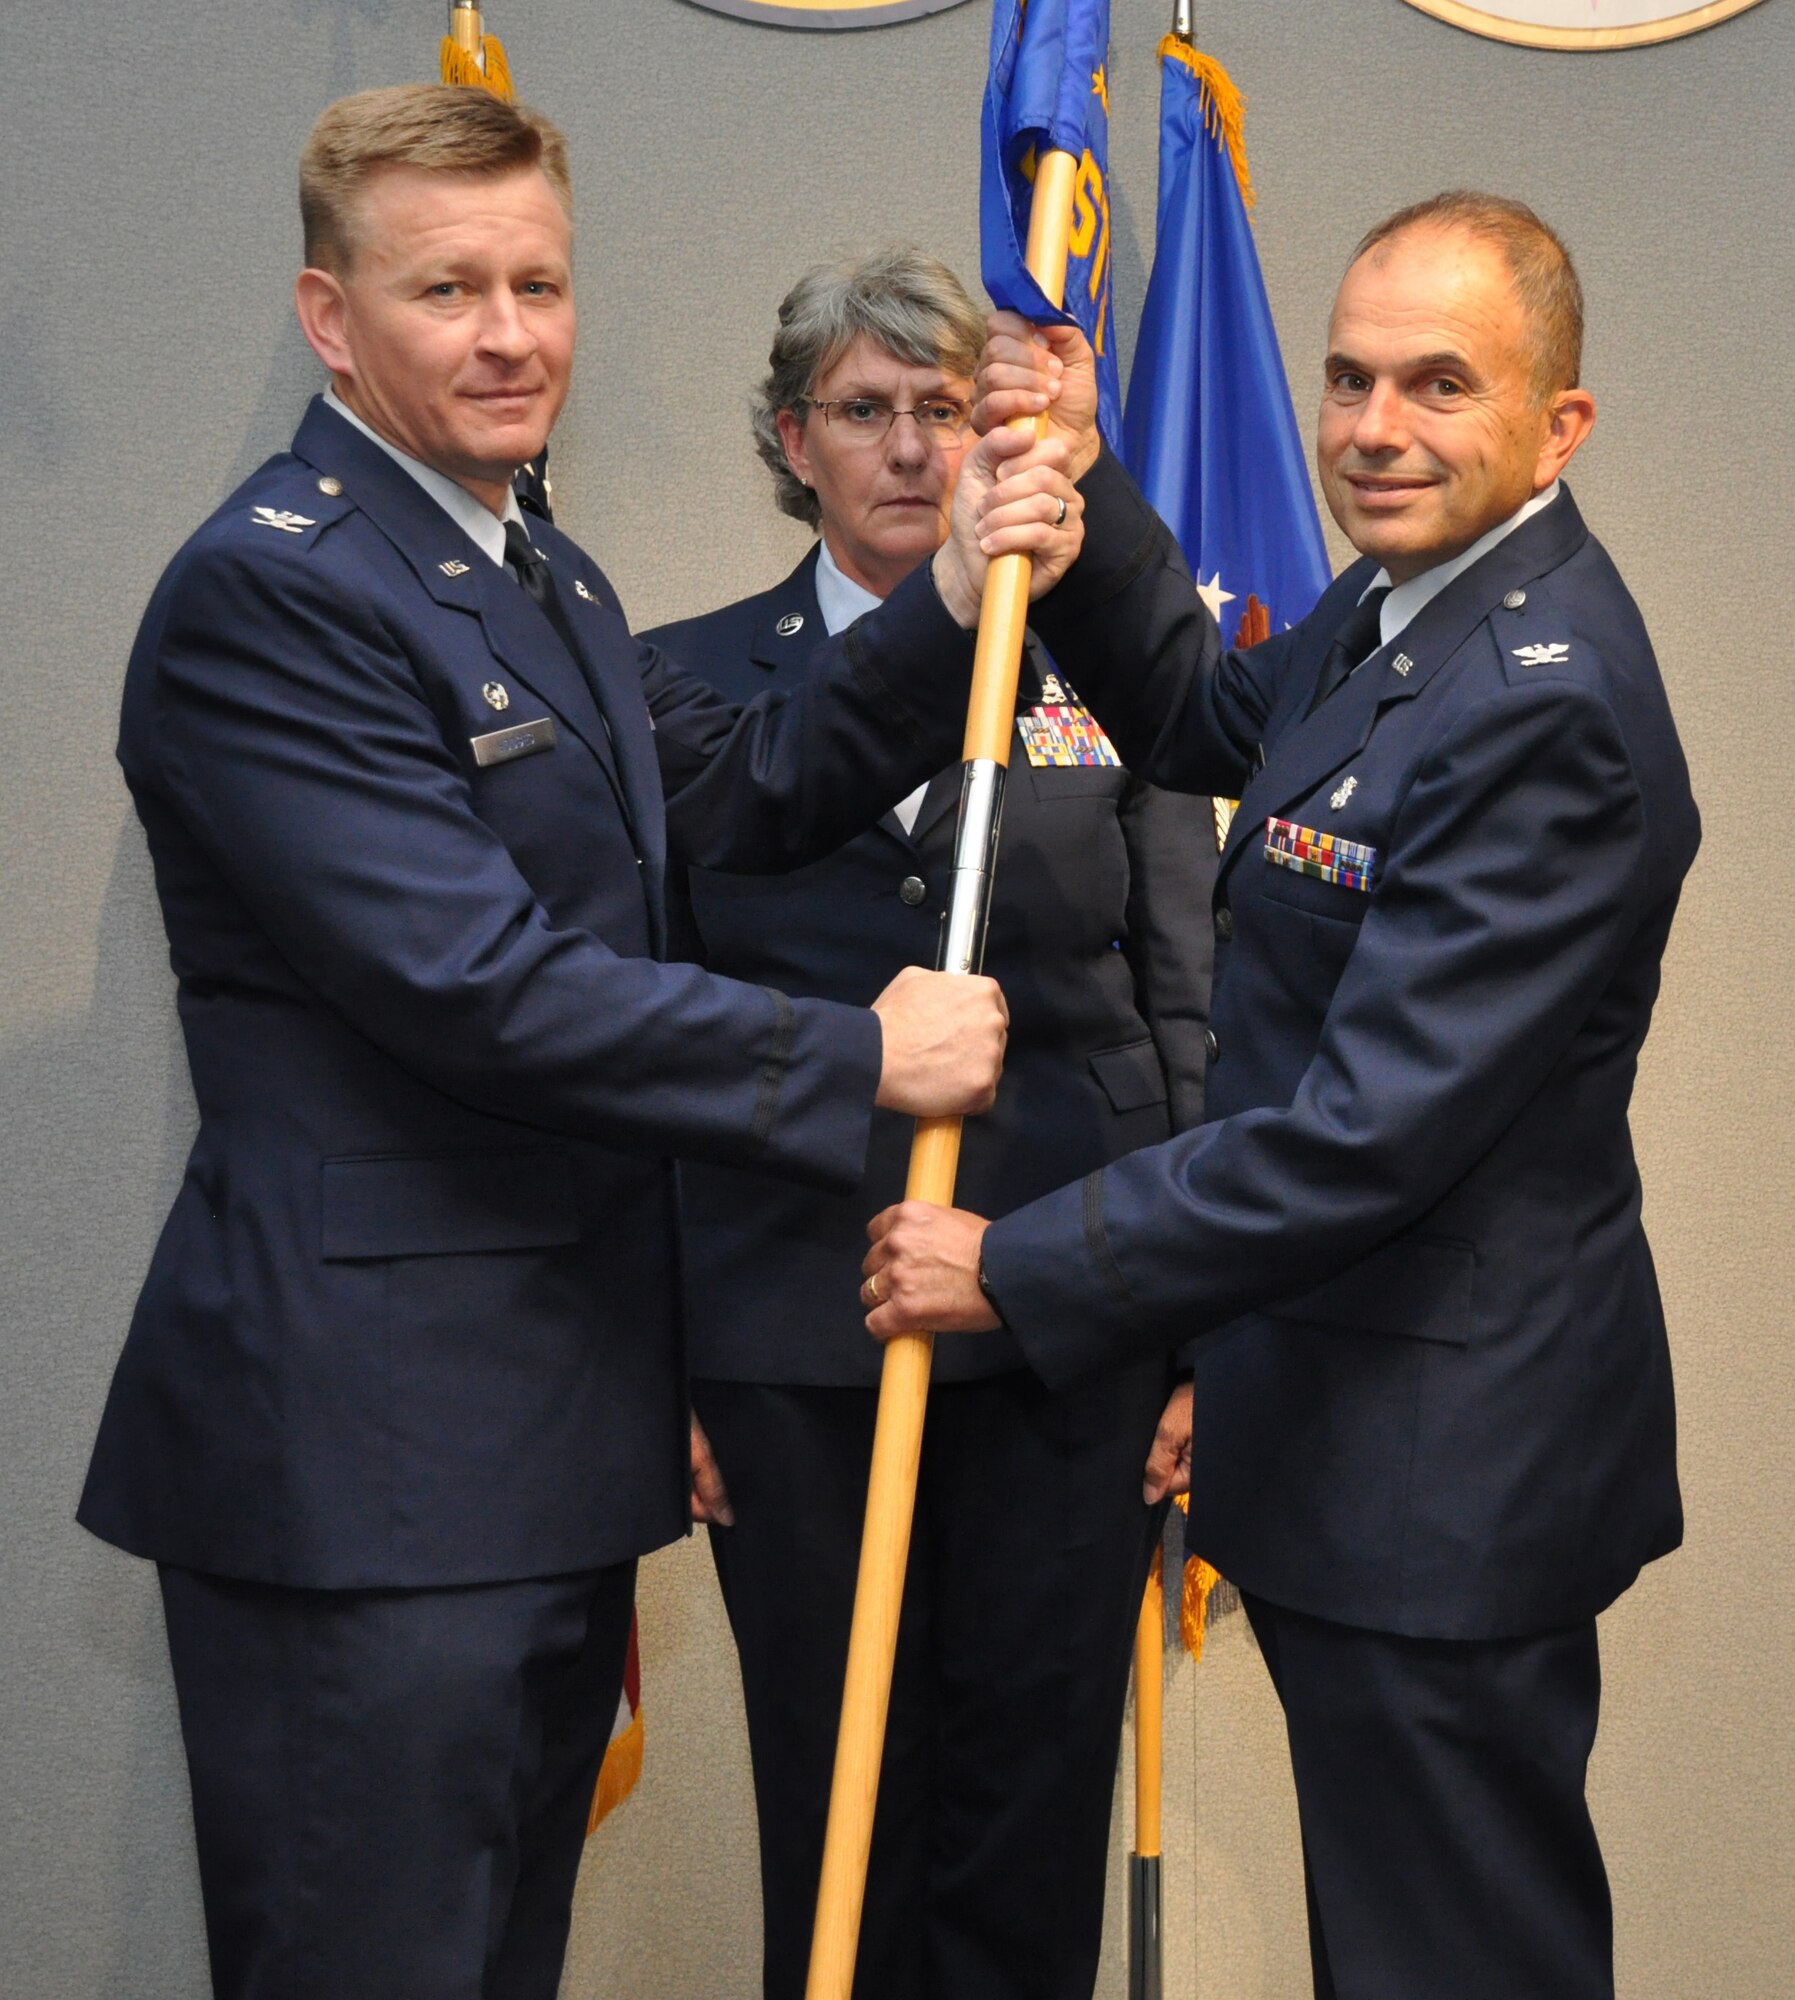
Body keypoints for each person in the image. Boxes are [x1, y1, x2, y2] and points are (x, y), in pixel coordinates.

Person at [75, 84, 1083, 2000]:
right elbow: (478, 982)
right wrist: (858, 1057)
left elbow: (748, 786)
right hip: (366, 1472)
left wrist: (954, 590)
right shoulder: (276, 590)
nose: (511, 331)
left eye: (538, 281)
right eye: (446, 289)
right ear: (327, 316)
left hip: (528, 1456)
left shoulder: (536, 564)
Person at [866, 193, 1700, 2000]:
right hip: (1363, 1441)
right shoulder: (1416, 610)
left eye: (1437, 386)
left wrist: (1015, 1260)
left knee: (1450, 1960)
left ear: (1561, 422)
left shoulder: (1540, 701)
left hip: (1450, 1476)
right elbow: (1203, 716)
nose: (1372, 429)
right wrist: (1080, 488)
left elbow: (1364, 1135)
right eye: (1346, 378)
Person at [644, 248, 1216, 2000]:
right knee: (840, 1815)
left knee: (1026, 1814)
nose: (911, 447)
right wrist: (658, 1359)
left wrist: (1198, 1330)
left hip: (1066, 1318)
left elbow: (1189, 1005)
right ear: (791, 440)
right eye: (866, 412)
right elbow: (637, 1041)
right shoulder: (676, 684)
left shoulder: (1103, 664)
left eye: (948, 409)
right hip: (795, 1335)